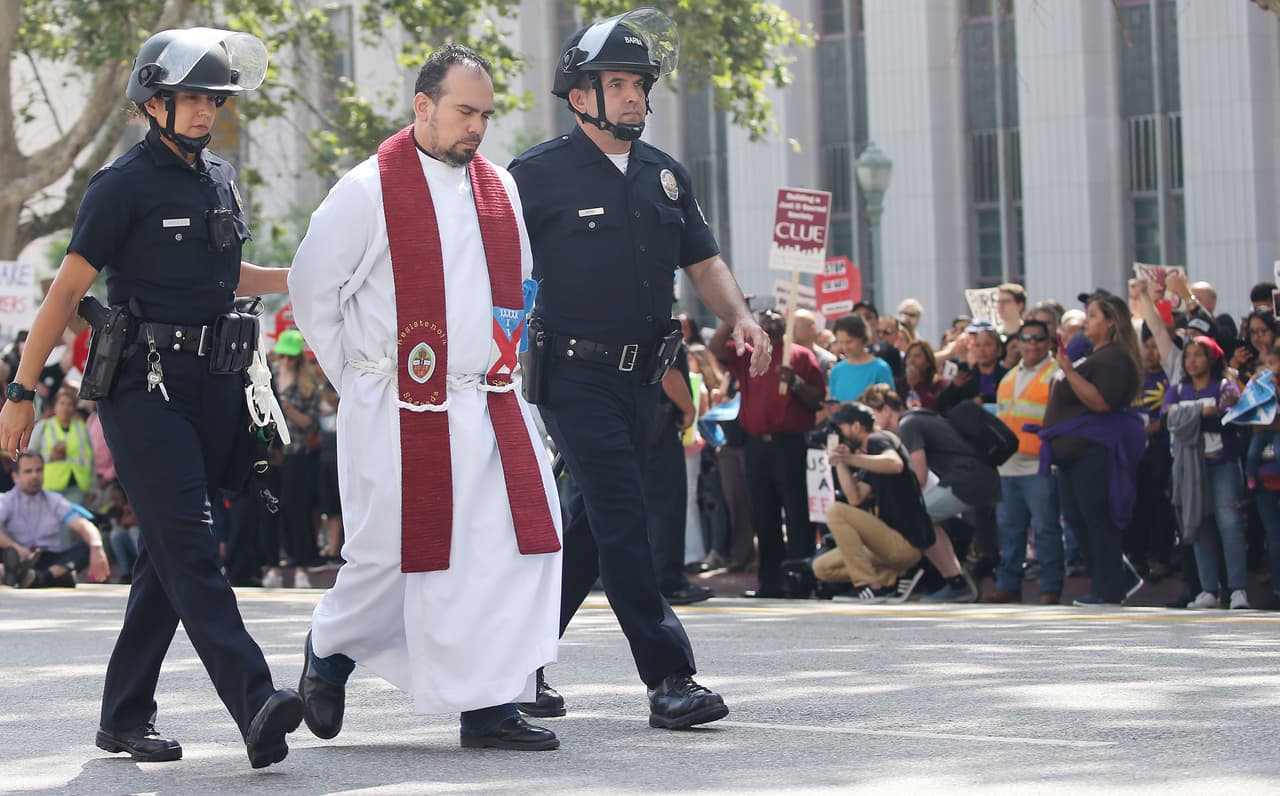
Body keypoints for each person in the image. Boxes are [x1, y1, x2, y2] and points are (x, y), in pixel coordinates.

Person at [0, 28, 301, 767]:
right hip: (143, 389)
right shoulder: (120, 185)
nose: (207, 111)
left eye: (214, 98)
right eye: (194, 97)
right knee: (192, 545)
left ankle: (123, 716)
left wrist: (309, 272)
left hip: (217, 385)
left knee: (167, 557)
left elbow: (228, 280)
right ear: (154, 101)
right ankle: (255, 698)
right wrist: (20, 391)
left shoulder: (219, 178)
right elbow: (65, 292)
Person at [288, 44, 564, 751]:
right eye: (464, 111)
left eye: (486, 115)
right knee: (390, 553)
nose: (477, 127)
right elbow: (312, 289)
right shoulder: (366, 189)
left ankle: (492, 705)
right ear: (423, 106)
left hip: (487, 402)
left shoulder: (499, 189)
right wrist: (357, 375)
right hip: (398, 401)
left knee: (511, 551)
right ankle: (330, 646)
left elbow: (519, 293)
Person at [509, 9, 769, 728]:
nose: (634, 97)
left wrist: (740, 318)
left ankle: (511, 666)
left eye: (641, 85)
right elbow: (492, 273)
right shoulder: (532, 176)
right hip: (574, 376)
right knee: (626, 519)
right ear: (580, 93)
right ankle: (670, 681)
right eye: (618, 83)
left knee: (593, 529)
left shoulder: (665, 177)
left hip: (649, 379)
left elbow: (704, 261)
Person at [1040, 291, 1145, 607]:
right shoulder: (1091, 355)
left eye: (1095, 315)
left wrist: (1069, 372)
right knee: (1076, 518)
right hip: (1072, 453)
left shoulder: (1114, 357)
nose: (1087, 320)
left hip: (1093, 449)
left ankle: (1108, 589)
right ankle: (1118, 576)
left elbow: (1100, 401)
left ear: (1112, 322)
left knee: (1096, 519)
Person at [711, 309, 824, 597]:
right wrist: (733, 315)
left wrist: (796, 383)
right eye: (765, 315)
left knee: (796, 511)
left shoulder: (799, 355)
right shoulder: (749, 354)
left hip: (789, 443)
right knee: (764, 513)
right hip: (756, 445)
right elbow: (715, 349)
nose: (771, 317)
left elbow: (817, 398)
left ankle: (799, 579)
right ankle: (770, 582)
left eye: (777, 313)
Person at [861, 385, 983, 602]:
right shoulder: (913, 420)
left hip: (968, 480)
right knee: (924, 517)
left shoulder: (908, 425)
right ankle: (955, 581)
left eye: (873, 415)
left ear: (887, 410)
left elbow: (919, 477)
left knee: (918, 518)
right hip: (972, 479)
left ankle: (948, 581)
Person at [811, 402, 932, 601]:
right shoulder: (869, 458)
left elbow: (895, 464)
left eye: (841, 429)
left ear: (856, 427)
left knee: (836, 512)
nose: (839, 434)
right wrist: (839, 460)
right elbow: (855, 497)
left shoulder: (879, 439)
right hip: (888, 546)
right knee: (822, 568)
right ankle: (888, 579)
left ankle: (871, 586)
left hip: (906, 543)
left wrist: (851, 459)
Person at [1163, 337, 1247, 609]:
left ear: (1211, 359)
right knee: (1198, 525)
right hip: (1190, 468)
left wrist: (1189, 414)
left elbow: (1225, 419)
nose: (1192, 361)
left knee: (1230, 524)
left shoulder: (1224, 386)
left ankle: (1237, 589)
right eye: (1188, 356)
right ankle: (1207, 588)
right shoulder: (1177, 389)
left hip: (1221, 463)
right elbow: (1168, 419)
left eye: (1198, 355)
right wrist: (1204, 412)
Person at [986, 320, 1065, 604]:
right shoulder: (1009, 376)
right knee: (1010, 529)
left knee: (1045, 529)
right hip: (1008, 464)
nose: (1032, 344)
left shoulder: (1057, 373)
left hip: (1039, 464)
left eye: (1039, 339)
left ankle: (1050, 587)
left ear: (1049, 342)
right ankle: (1008, 585)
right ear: (1017, 341)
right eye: (1027, 338)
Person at [0, 452, 110, 588]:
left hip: (46, 558)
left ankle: (35, 577)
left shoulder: (53, 500)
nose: (35, 476)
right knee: (9, 556)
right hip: (17, 556)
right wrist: (18, 549)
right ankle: (46, 577)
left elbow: (83, 525)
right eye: (28, 471)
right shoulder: (6, 500)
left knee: (90, 543)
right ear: (15, 476)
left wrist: (96, 547)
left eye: (39, 470)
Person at [30, 385, 94, 506]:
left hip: (77, 485)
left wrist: (93, 487)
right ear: (55, 406)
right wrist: (50, 456)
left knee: (70, 523)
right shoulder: (44, 426)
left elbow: (90, 458)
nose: (65, 408)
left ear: (74, 408)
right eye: (62, 403)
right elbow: (30, 454)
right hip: (50, 485)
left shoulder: (81, 427)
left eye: (69, 404)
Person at [828, 313, 892, 402]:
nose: (845, 347)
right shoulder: (837, 371)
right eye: (841, 342)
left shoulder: (880, 368)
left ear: (862, 338)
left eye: (849, 342)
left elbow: (889, 405)